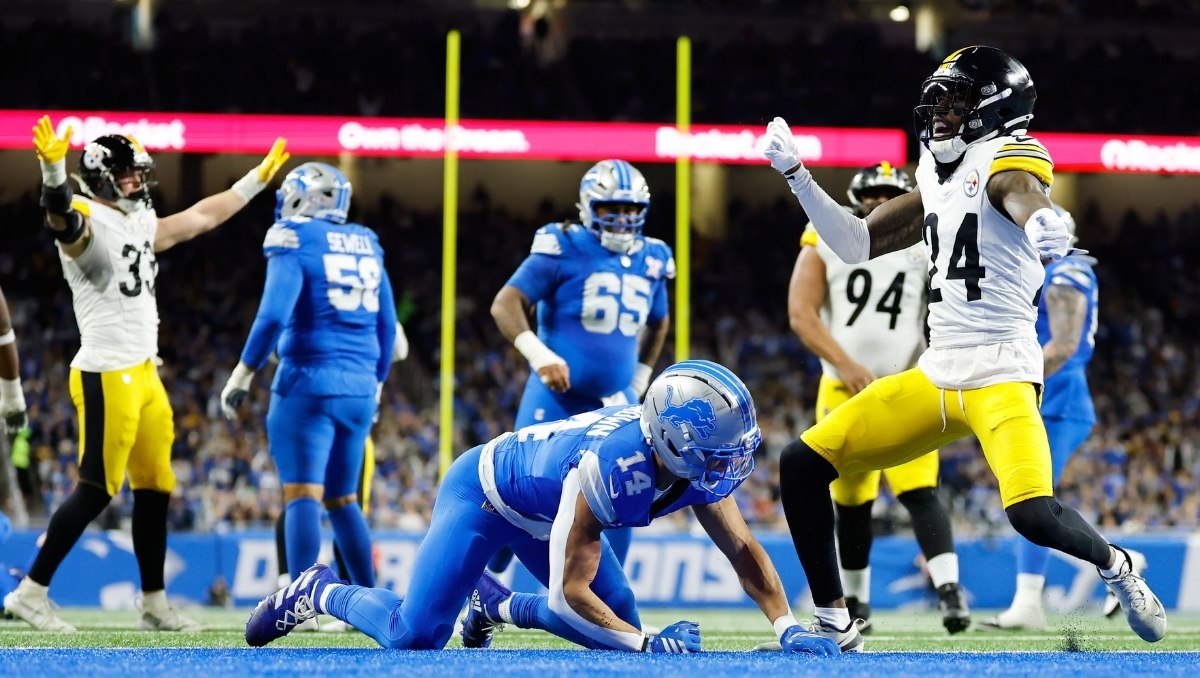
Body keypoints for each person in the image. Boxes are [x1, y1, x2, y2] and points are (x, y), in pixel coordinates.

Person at [762, 45, 1166, 652]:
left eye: (953, 103)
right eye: (937, 102)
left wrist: (1040, 221)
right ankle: (836, 622)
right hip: (937, 372)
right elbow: (852, 243)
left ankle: (1118, 566)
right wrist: (798, 177)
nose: (938, 114)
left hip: (1002, 369)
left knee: (1031, 514)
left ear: (993, 109)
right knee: (800, 465)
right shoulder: (933, 171)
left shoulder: (1010, 154)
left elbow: (1019, 190)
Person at [244, 360, 839, 656]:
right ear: (673, 442)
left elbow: (743, 549)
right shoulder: (613, 465)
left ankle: (496, 603)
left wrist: (786, 628)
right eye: (717, 451)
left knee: (620, 614)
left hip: (547, 506)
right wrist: (643, 642)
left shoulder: (682, 457)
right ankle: (319, 589)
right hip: (485, 492)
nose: (729, 464)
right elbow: (566, 596)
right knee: (415, 636)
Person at [3, 116, 288, 633]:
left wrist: (256, 180)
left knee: (156, 486)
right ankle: (30, 592)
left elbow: (200, 217)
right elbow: (63, 220)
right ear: (103, 176)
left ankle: (154, 603)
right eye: (130, 174)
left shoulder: (135, 221)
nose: (138, 181)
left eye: (139, 173)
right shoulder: (86, 219)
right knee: (95, 488)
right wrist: (51, 170)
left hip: (143, 371)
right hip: (107, 370)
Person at [787, 161, 968, 634]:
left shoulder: (926, 240)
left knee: (920, 489)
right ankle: (856, 603)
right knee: (850, 499)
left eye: (891, 194)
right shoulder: (825, 237)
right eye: (873, 196)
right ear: (855, 200)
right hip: (840, 384)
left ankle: (950, 593)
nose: (880, 204)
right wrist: (845, 364)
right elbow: (801, 313)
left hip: (908, 381)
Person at [221, 162, 396, 603]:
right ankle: (370, 600)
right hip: (359, 387)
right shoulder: (367, 241)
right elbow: (388, 327)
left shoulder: (292, 236)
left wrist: (243, 371)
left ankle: (301, 602)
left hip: (307, 382)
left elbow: (273, 315)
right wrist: (375, 384)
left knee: (302, 494)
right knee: (344, 499)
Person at [487, 159, 673, 572]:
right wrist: (541, 355)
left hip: (615, 402)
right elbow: (506, 303)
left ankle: (612, 600)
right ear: (589, 206)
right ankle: (487, 579)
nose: (623, 218)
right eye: (612, 208)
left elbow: (660, 321)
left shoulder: (654, 257)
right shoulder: (563, 245)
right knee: (514, 498)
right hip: (556, 397)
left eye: (630, 209)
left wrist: (640, 376)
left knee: (627, 494)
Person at [980, 206, 1120, 630]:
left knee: (1032, 496)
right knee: (1032, 494)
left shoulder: (1067, 272)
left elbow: (1062, 344)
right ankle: (1119, 562)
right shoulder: (1048, 274)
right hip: (1049, 392)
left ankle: (1029, 600)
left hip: (1058, 395)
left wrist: (1013, 381)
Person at [271, 321, 409, 633]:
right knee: (337, 506)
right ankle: (349, 601)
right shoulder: (366, 306)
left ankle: (305, 599)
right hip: (350, 418)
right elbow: (396, 345)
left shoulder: (326, 305)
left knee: (309, 501)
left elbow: (277, 345)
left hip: (319, 415)